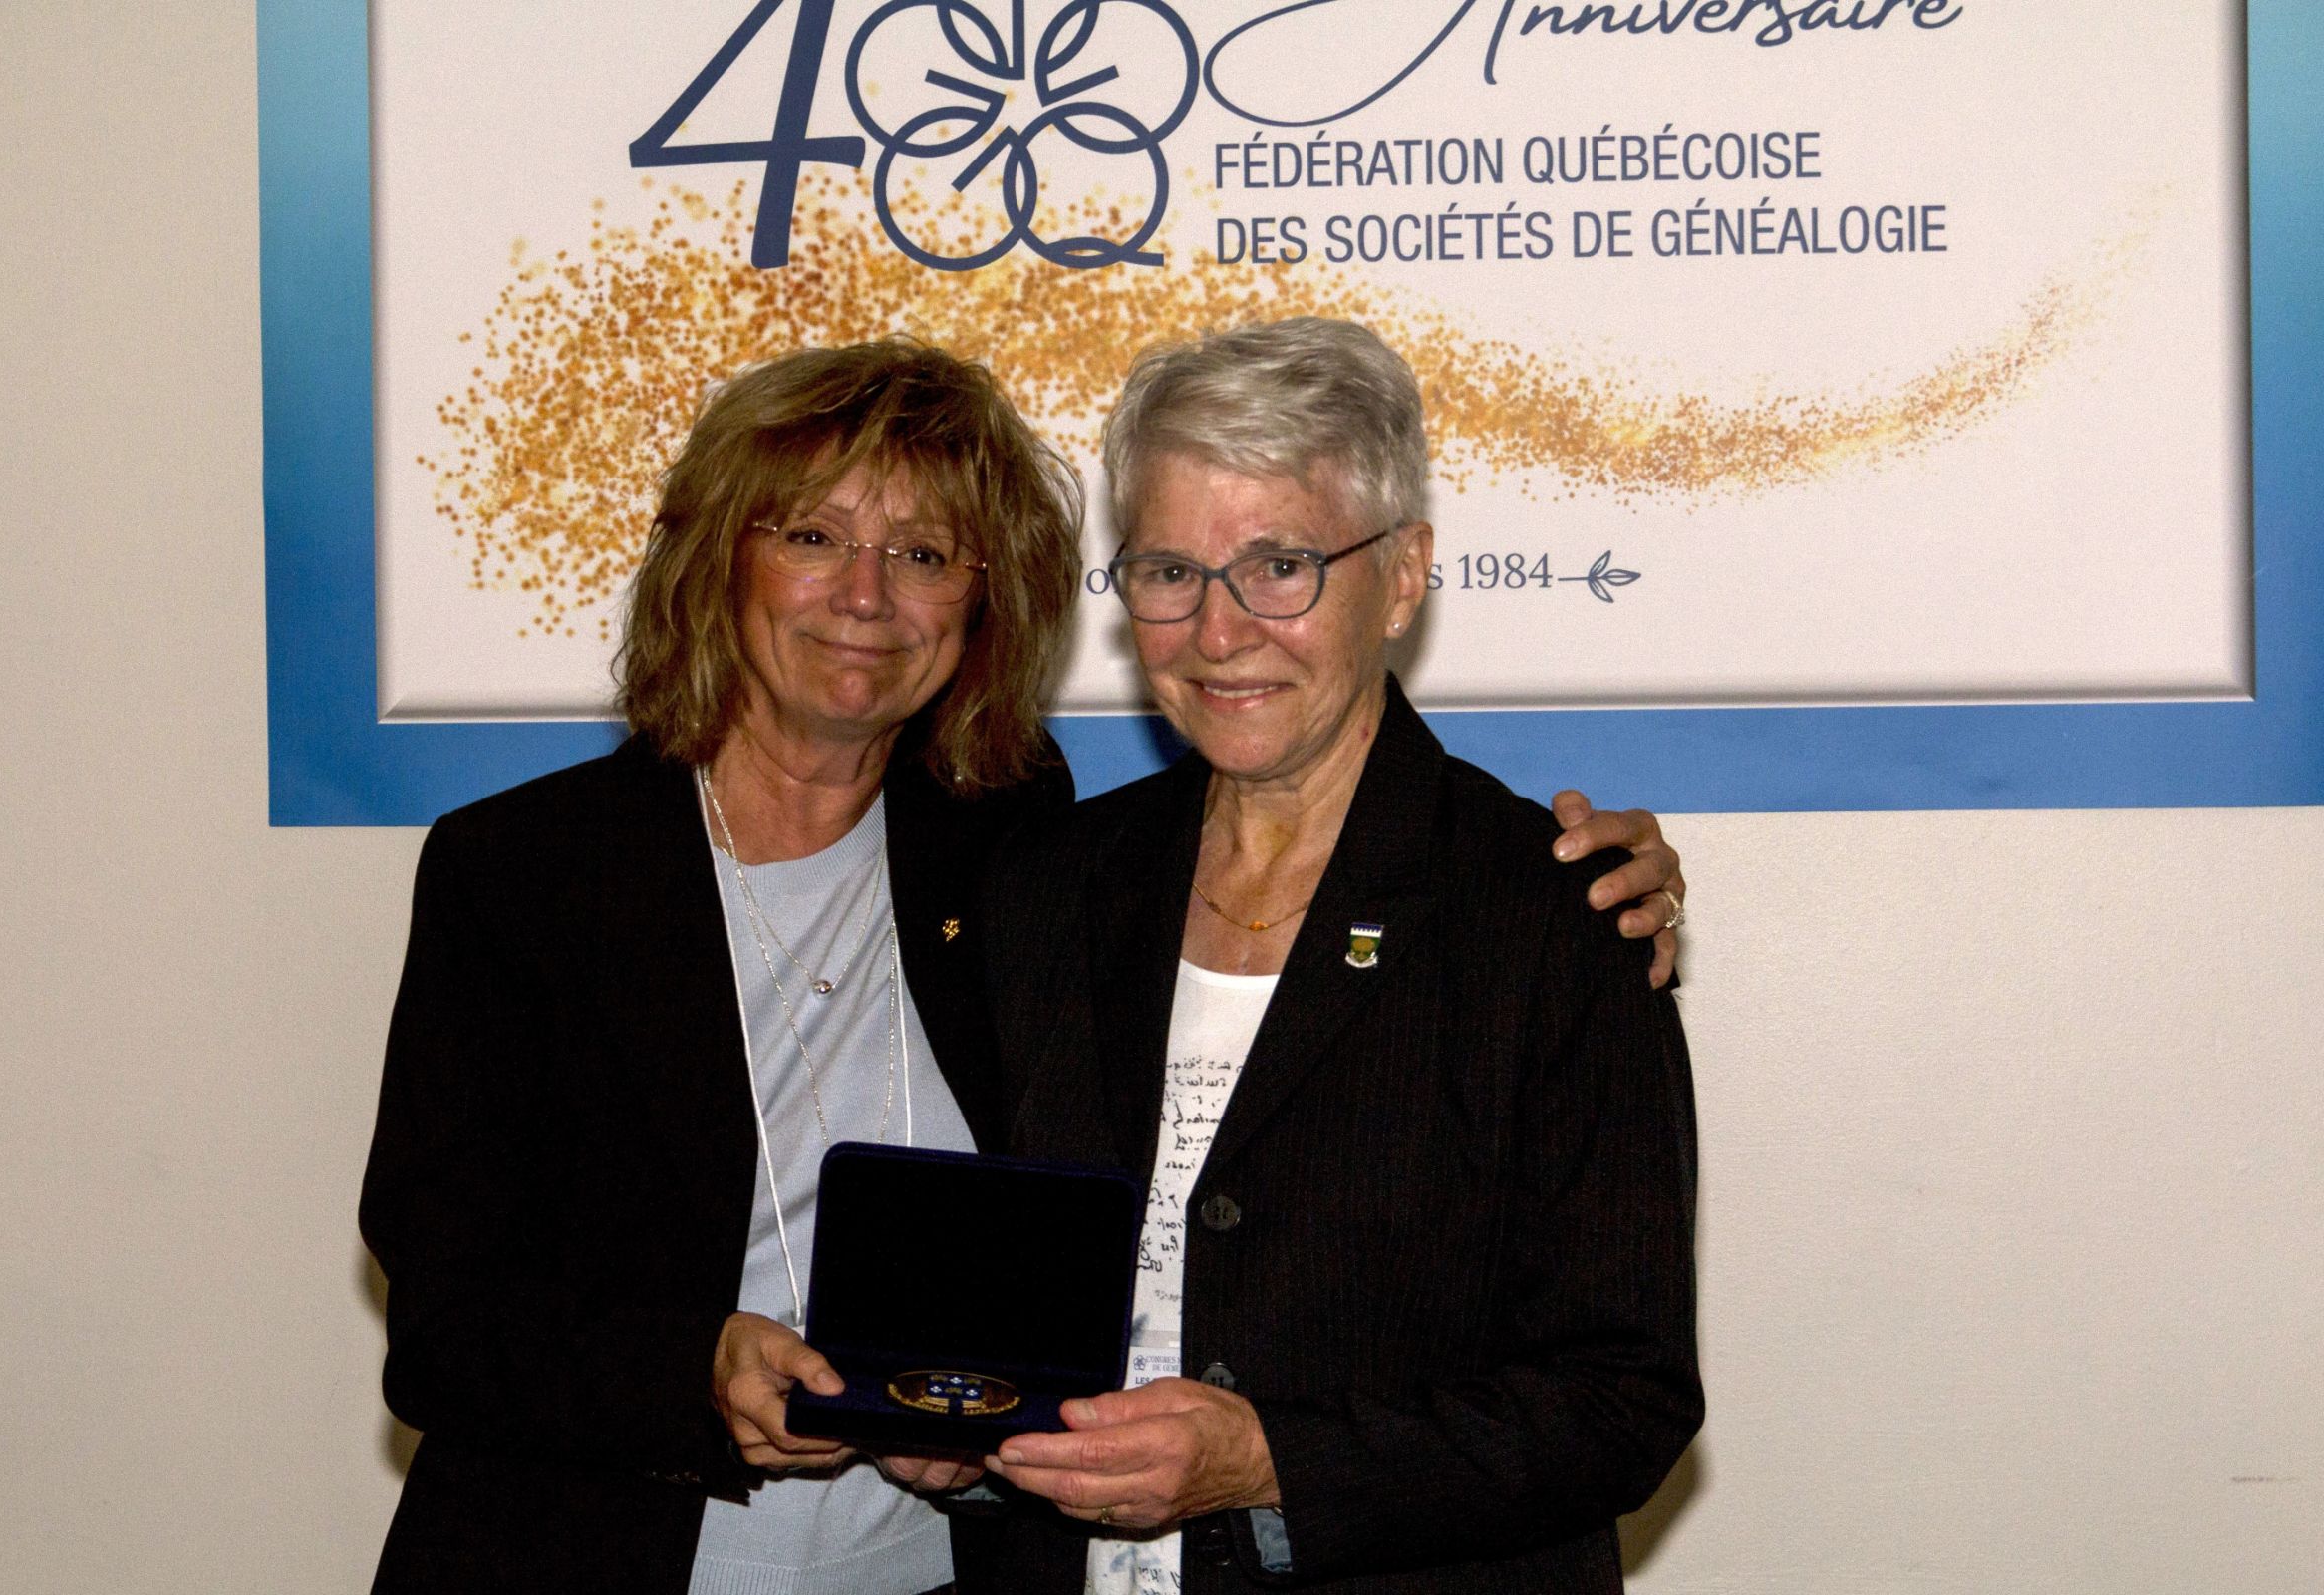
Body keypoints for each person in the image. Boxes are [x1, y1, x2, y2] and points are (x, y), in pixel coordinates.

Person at [359, 338, 1688, 1594]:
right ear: (718, 556)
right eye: (814, 535)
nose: (865, 597)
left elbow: (1618, 1388)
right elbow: (446, 1317)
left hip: (935, 1569)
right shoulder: (539, 875)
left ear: (1401, 578)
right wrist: (700, 1373)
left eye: (925, 552)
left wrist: (1594, 883)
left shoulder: (1005, 840)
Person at [962, 318, 1701, 1593]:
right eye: (1169, 571)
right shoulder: (1044, 886)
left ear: (1403, 575)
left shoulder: (1549, 916)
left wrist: (1272, 1462)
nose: (1219, 629)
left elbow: (1621, 1397)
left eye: (1280, 565)